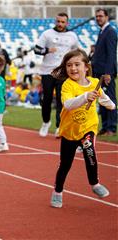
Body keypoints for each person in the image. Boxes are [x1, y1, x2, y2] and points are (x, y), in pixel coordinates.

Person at [49, 49, 115, 208]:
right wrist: (85, 96)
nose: (73, 68)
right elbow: (68, 104)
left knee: (89, 150)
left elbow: (104, 99)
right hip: (70, 131)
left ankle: (94, 184)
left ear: (86, 67)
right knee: (65, 164)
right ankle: (57, 191)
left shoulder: (94, 83)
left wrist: (111, 105)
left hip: (88, 127)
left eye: (77, 64)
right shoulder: (67, 85)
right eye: (69, 65)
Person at [34, 12, 79, 138]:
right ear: (55, 21)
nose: (60, 24)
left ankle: (60, 126)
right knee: (46, 99)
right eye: (58, 21)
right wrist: (47, 50)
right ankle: (46, 122)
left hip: (63, 73)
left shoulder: (72, 36)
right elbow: (37, 49)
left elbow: (76, 51)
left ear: (67, 23)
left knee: (62, 100)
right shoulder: (47, 34)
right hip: (47, 71)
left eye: (63, 22)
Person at [91, 8, 117, 136]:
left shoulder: (110, 31)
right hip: (98, 73)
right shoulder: (102, 32)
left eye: (100, 16)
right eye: (96, 16)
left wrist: (108, 73)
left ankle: (111, 127)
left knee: (110, 99)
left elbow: (111, 54)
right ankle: (105, 126)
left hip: (106, 73)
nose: (98, 18)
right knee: (102, 99)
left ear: (106, 17)